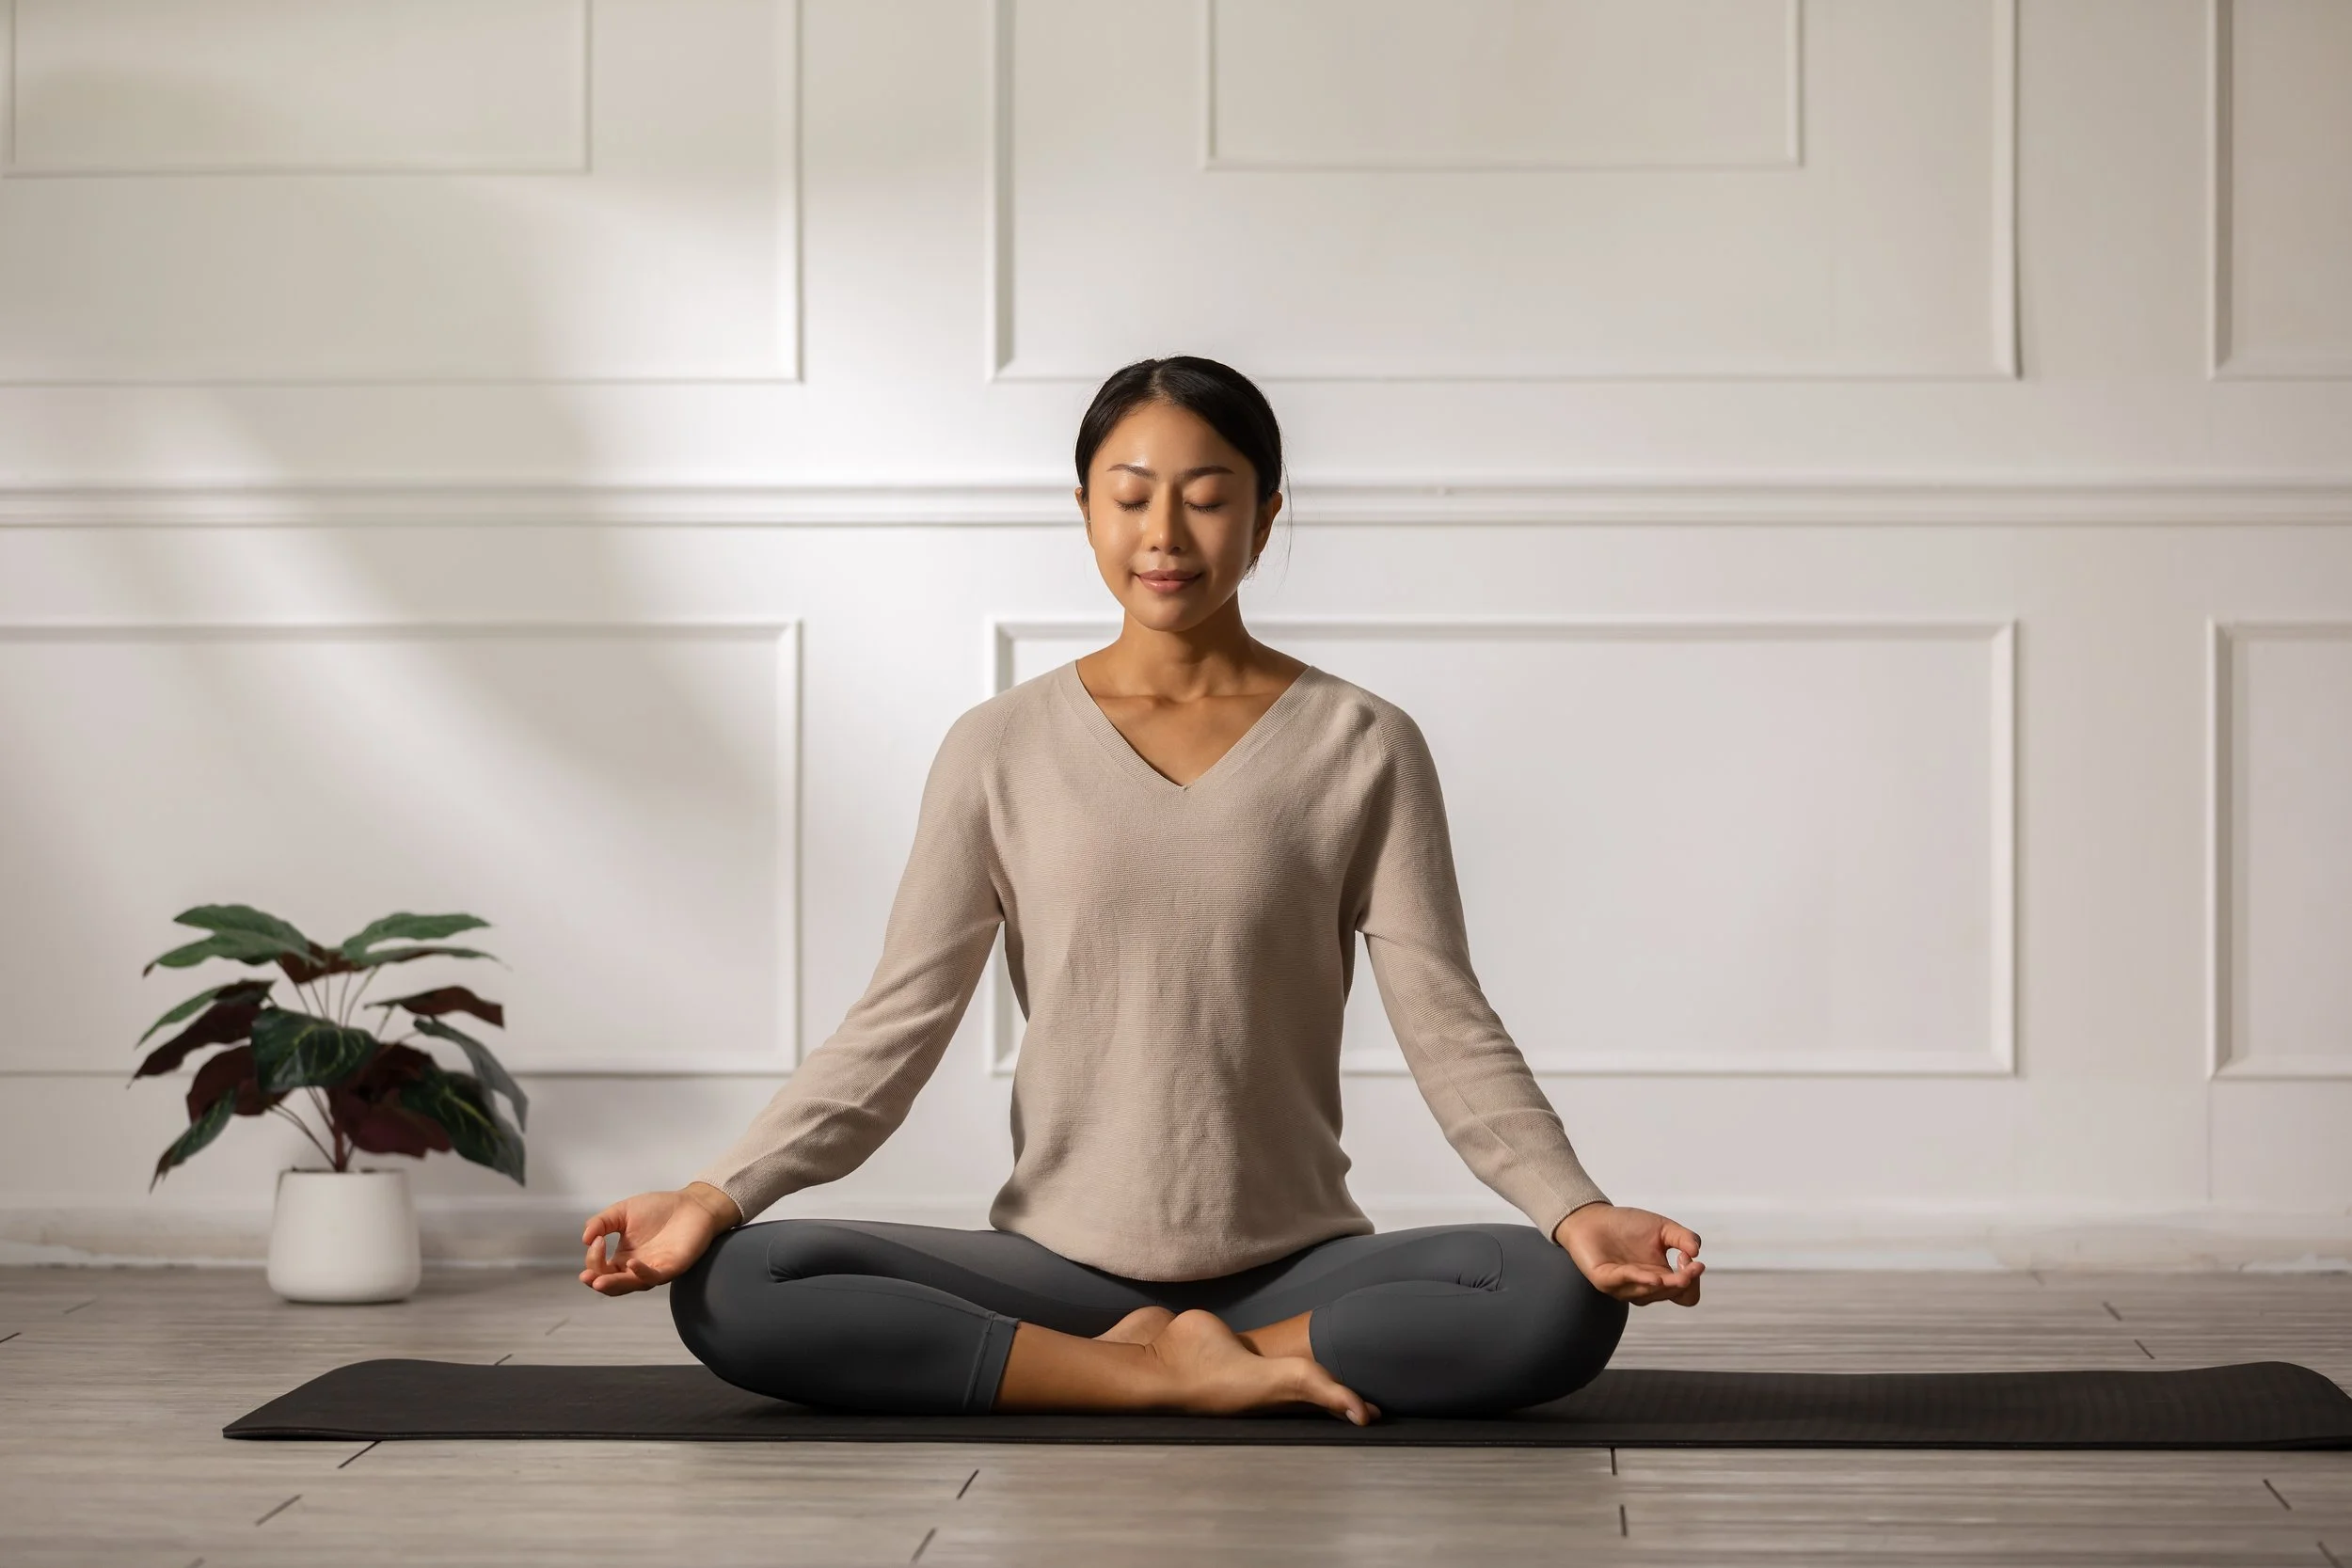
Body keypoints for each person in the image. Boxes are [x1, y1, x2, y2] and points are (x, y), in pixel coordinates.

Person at [578, 356, 1705, 1425]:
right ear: (1085, 510)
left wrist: (1574, 1203)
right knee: (739, 1280)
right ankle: (1161, 1374)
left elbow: (1446, 1023)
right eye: (1130, 497)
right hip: (1051, 1272)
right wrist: (714, 1192)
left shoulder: (1364, 743)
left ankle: (1189, 1361)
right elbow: (894, 1028)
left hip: (1297, 1270)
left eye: (1209, 498)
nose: (1164, 534)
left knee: (1553, 1293)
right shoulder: (997, 747)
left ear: (1266, 516)